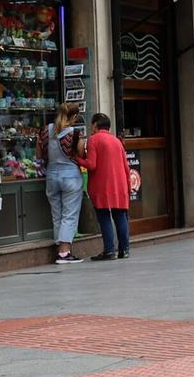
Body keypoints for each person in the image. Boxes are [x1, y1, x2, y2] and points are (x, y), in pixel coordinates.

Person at [74, 113, 133, 261]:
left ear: (95, 125)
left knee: (104, 217)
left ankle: (109, 250)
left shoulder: (93, 139)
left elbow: (92, 164)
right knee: (120, 217)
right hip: (119, 185)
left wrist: (77, 159)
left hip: (101, 185)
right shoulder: (116, 141)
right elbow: (126, 166)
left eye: (91, 124)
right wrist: (128, 185)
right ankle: (124, 250)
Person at [38, 102, 84, 264]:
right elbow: (81, 154)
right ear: (74, 116)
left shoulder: (46, 130)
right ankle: (64, 252)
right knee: (69, 215)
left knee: (57, 213)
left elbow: (39, 153)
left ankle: (60, 247)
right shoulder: (75, 134)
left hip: (51, 175)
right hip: (71, 176)